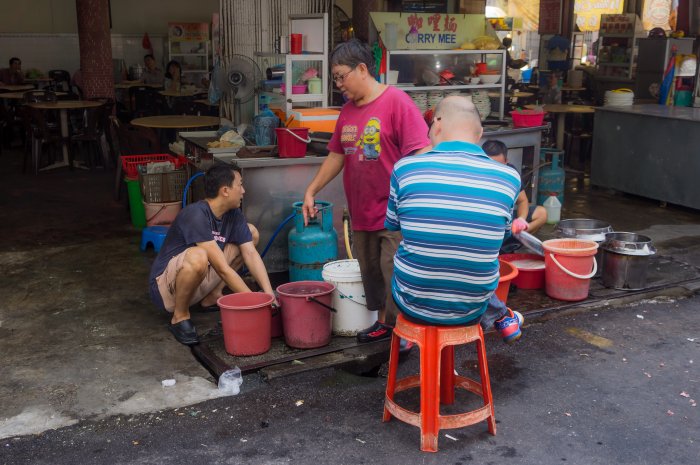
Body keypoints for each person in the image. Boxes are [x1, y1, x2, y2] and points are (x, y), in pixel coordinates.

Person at [301, 39, 431, 344]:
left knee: (392, 273)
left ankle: (405, 333)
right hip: (361, 212)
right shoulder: (347, 112)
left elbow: (422, 153)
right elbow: (337, 155)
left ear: (362, 69)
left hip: (395, 214)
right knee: (371, 272)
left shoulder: (397, 102)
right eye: (334, 78)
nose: (338, 84)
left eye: (340, 76)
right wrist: (311, 189)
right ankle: (386, 326)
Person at [386, 95, 523, 342]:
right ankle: (503, 316)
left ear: (436, 124)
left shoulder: (403, 169)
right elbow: (501, 236)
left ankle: (407, 341)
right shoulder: (509, 178)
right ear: (479, 133)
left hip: (412, 301)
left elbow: (393, 226)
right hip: (473, 306)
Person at [149, 164, 277, 345]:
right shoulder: (195, 214)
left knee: (251, 233)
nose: (243, 190)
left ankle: (213, 296)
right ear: (225, 190)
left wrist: (268, 294)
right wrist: (255, 304)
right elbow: (222, 269)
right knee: (198, 255)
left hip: (200, 279)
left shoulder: (234, 215)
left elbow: (250, 253)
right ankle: (180, 316)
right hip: (166, 289)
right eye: (240, 185)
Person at [482, 139, 547, 254]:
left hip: (507, 220)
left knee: (542, 213)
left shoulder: (512, 172)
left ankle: (514, 239)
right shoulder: (476, 174)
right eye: (490, 165)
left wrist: (521, 219)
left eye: (499, 165)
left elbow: (522, 201)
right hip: (486, 224)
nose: (495, 170)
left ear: (506, 161)